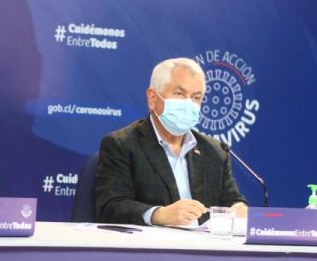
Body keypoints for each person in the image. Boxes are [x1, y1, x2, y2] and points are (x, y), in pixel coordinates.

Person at [95, 57, 247, 226]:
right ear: (153, 98)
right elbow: (111, 207)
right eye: (179, 94)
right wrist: (159, 215)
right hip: (152, 242)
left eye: (196, 97)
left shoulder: (215, 151)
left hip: (204, 242)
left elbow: (232, 201)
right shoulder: (121, 145)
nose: (188, 104)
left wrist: (239, 208)